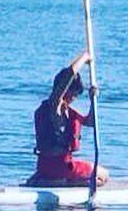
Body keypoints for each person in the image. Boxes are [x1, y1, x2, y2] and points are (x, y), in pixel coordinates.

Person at [27, 49, 109, 187]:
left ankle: (51, 180)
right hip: (60, 168)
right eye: (73, 94)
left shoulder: (68, 112)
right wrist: (85, 57)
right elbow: (66, 78)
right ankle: (63, 183)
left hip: (47, 168)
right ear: (65, 91)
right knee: (104, 176)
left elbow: (90, 122)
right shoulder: (53, 108)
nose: (73, 98)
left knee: (103, 174)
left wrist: (92, 100)